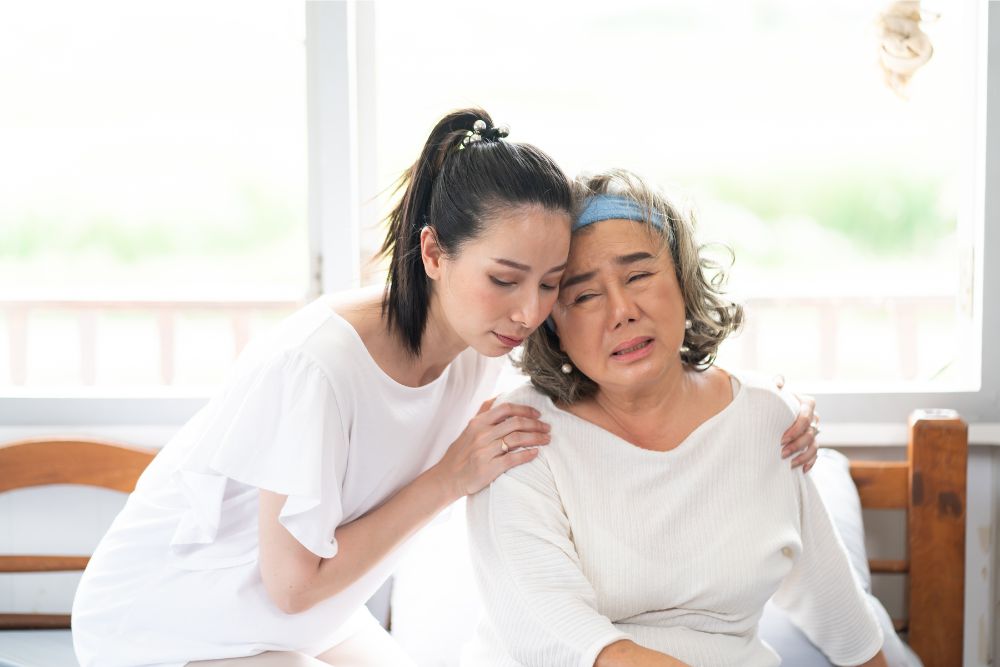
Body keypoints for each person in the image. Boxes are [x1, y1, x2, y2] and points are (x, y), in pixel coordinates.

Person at [71, 111, 819, 667]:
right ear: (434, 251)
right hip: (172, 619)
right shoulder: (319, 367)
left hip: (307, 619)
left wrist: (763, 400)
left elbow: (609, 372)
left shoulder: (480, 344)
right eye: (504, 279)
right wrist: (449, 477)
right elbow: (291, 585)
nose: (529, 312)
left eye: (549, 284)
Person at [464, 168, 886, 667]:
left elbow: (842, 617)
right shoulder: (521, 435)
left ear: (683, 280)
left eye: (639, 275)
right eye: (584, 295)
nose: (622, 311)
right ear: (551, 324)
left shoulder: (766, 419)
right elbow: (560, 640)